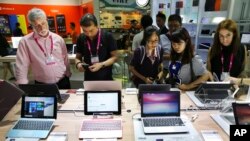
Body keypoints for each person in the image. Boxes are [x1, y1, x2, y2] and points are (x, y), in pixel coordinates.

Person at [15, 8, 71, 89]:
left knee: (67, 101)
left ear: (46, 20)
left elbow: (65, 57)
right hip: (42, 85)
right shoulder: (25, 42)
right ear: (31, 25)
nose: (41, 28)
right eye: (37, 26)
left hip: (63, 81)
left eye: (43, 23)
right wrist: (22, 84)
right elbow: (21, 65)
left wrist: (68, 72)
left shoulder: (58, 38)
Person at [75, 13, 118, 81]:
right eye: (85, 31)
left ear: (97, 26)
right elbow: (78, 57)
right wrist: (78, 64)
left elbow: (115, 57)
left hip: (106, 78)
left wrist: (101, 64)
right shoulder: (81, 37)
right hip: (88, 79)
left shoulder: (107, 36)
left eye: (91, 30)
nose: (89, 34)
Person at [160, 14, 182, 81]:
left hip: (181, 71)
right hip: (165, 71)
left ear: (181, 25)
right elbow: (156, 55)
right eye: (170, 26)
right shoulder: (161, 38)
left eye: (175, 26)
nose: (173, 28)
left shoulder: (184, 39)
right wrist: (173, 56)